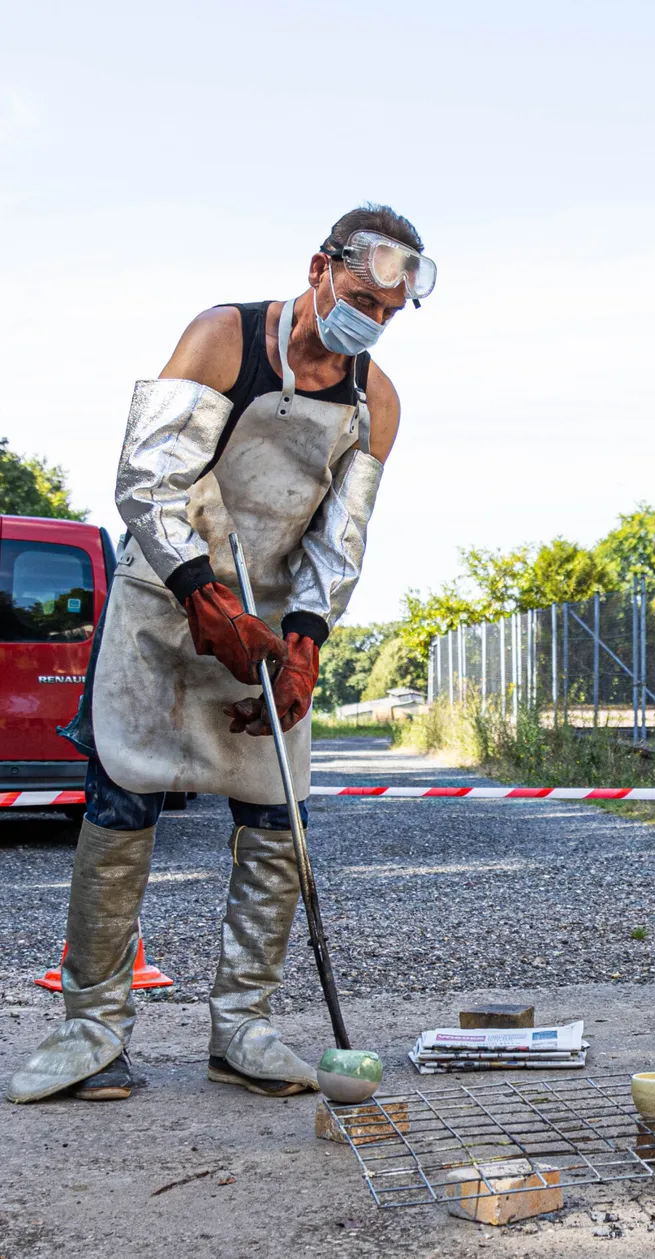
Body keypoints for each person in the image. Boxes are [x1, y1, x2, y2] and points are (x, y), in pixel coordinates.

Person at [7, 205, 431, 1105]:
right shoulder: (223, 340)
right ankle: (91, 1029)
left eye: (389, 314)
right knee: (122, 805)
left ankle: (243, 1028)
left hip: (268, 631)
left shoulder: (376, 403)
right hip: (165, 609)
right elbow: (147, 479)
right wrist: (203, 596)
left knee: (278, 821)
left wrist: (305, 649)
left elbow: (339, 541)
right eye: (363, 299)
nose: (372, 322)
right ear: (320, 268)